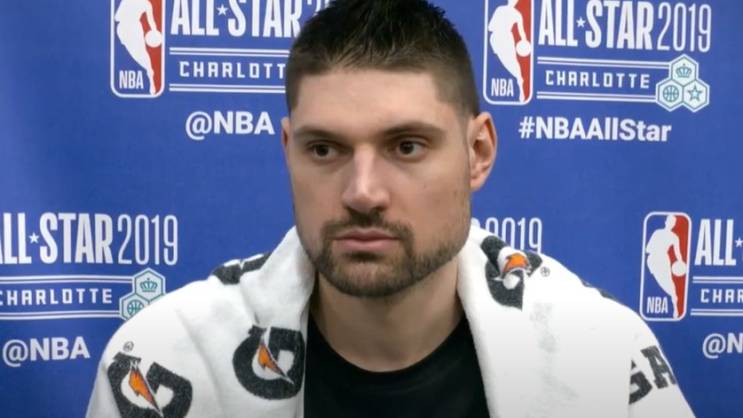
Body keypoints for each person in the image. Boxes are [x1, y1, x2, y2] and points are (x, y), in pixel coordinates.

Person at [87, 1, 696, 417]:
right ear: (288, 151)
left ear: (478, 153)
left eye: (406, 146)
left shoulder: (602, 357)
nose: (362, 192)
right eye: (324, 149)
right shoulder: (167, 362)